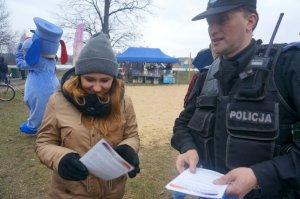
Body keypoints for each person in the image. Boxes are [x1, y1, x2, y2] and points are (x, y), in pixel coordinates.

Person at [171, 0, 300, 198]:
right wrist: (188, 148)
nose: (212, 30)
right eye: (209, 22)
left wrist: (259, 175)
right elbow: (182, 125)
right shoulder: (206, 76)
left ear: (251, 21)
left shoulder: (287, 67)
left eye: (222, 19)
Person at [35, 32, 140, 198]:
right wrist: (60, 158)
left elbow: (132, 135)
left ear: (113, 78)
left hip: (112, 192)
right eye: (90, 79)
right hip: (69, 192)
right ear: (79, 76)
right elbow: (44, 143)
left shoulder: (124, 101)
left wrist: (128, 148)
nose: (97, 88)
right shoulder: (58, 101)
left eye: (104, 80)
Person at [15, 17, 67, 135]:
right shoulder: (51, 59)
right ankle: (51, 125)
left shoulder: (37, 60)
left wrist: (18, 53)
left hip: (39, 86)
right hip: (53, 84)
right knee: (50, 106)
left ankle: (33, 127)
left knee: (37, 104)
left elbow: (21, 64)